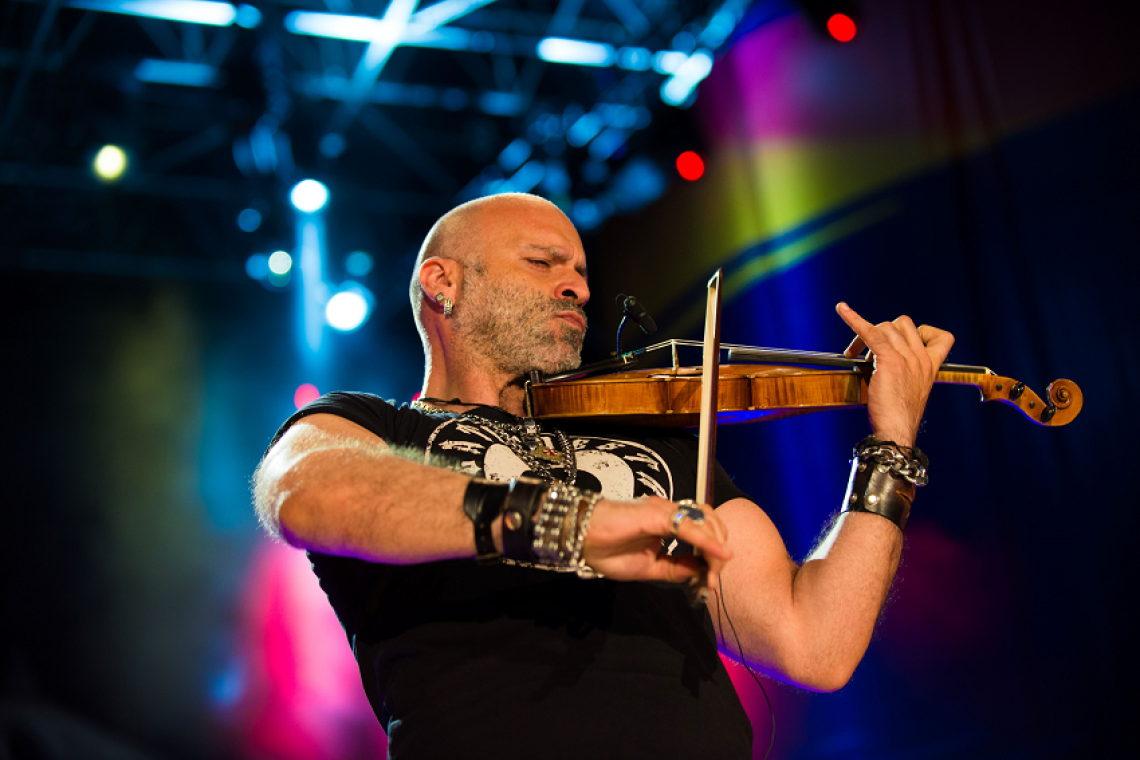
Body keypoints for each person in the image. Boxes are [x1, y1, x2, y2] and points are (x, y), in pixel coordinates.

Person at [253, 193, 953, 759]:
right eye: (542, 262)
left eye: (583, 273)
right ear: (443, 283)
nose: (578, 287)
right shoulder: (379, 428)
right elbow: (305, 492)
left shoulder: (656, 449)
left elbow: (814, 644)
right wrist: (578, 524)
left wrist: (890, 446)